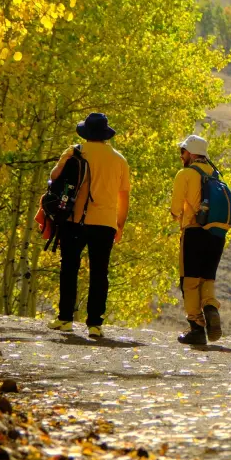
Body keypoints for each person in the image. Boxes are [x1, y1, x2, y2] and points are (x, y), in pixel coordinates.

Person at [47, 113, 130, 338]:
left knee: (69, 268)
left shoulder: (74, 151)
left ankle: (65, 318)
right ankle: (95, 324)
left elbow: (54, 178)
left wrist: (64, 162)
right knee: (100, 272)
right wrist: (119, 225)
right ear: (105, 135)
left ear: (86, 133)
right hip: (105, 223)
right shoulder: (119, 159)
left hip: (74, 220)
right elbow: (124, 197)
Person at [170, 134, 226, 345]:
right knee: (207, 278)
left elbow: (176, 208)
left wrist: (177, 215)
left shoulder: (185, 173)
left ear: (191, 153)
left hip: (194, 231)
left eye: (182, 151)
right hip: (217, 233)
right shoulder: (215, 174)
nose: (181, 155)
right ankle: (210, 306)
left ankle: (196, 328)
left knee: (190, 281)